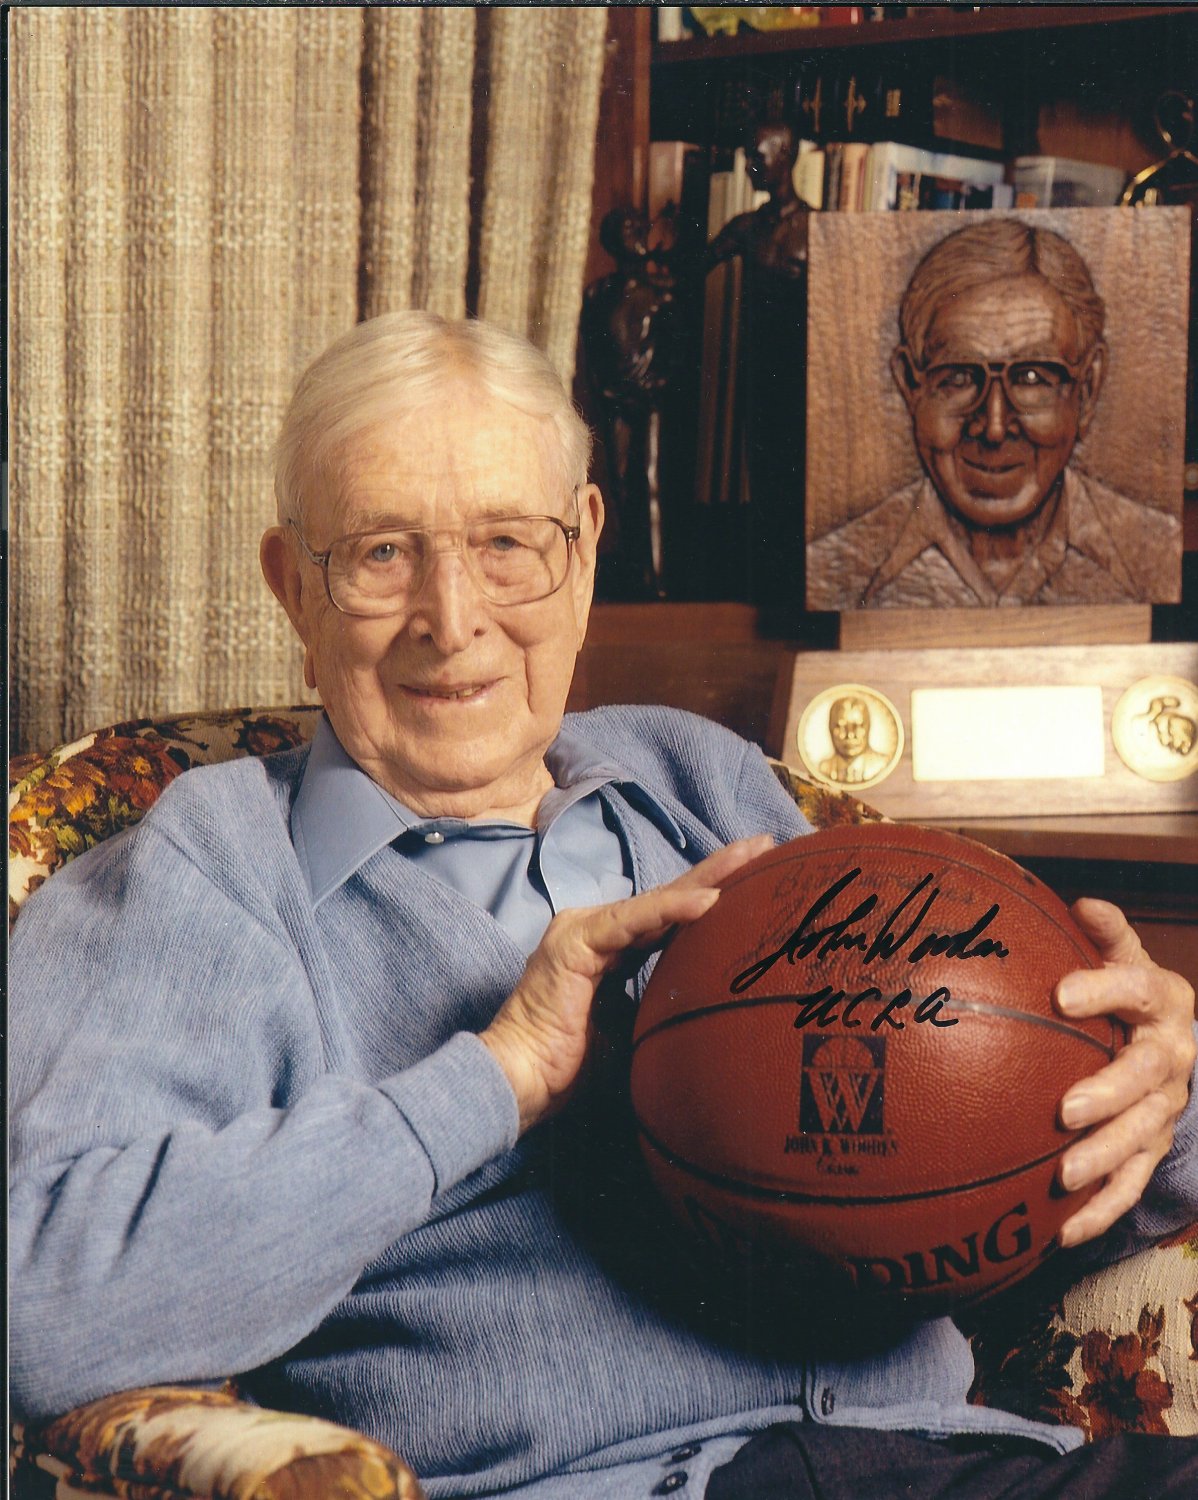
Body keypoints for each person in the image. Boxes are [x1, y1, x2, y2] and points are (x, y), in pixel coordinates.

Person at [10, 311, 1198, 1500]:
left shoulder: (702, 780)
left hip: (955, 1460)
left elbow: (959, 1148)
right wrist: (497, 1076)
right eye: (380, 553)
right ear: (292, 589)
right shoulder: (204, 866)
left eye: (505, 544)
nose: (451, 616)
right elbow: (44, 1302)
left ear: (580, 552)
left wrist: (1149, 1089)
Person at [807, 219, 1182, 611]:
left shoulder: (1149, 551)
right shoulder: (839, 564)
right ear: (909, 386)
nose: (995, 427)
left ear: (1086, 390)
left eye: (1032, 378)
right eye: (958, 377)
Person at [817, 695, 890, 784]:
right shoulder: (823, 767)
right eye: (841, 726)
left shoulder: (881, 764)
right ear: (830, 728)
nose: (850, 735)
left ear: (868, 727)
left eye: (857, 726)